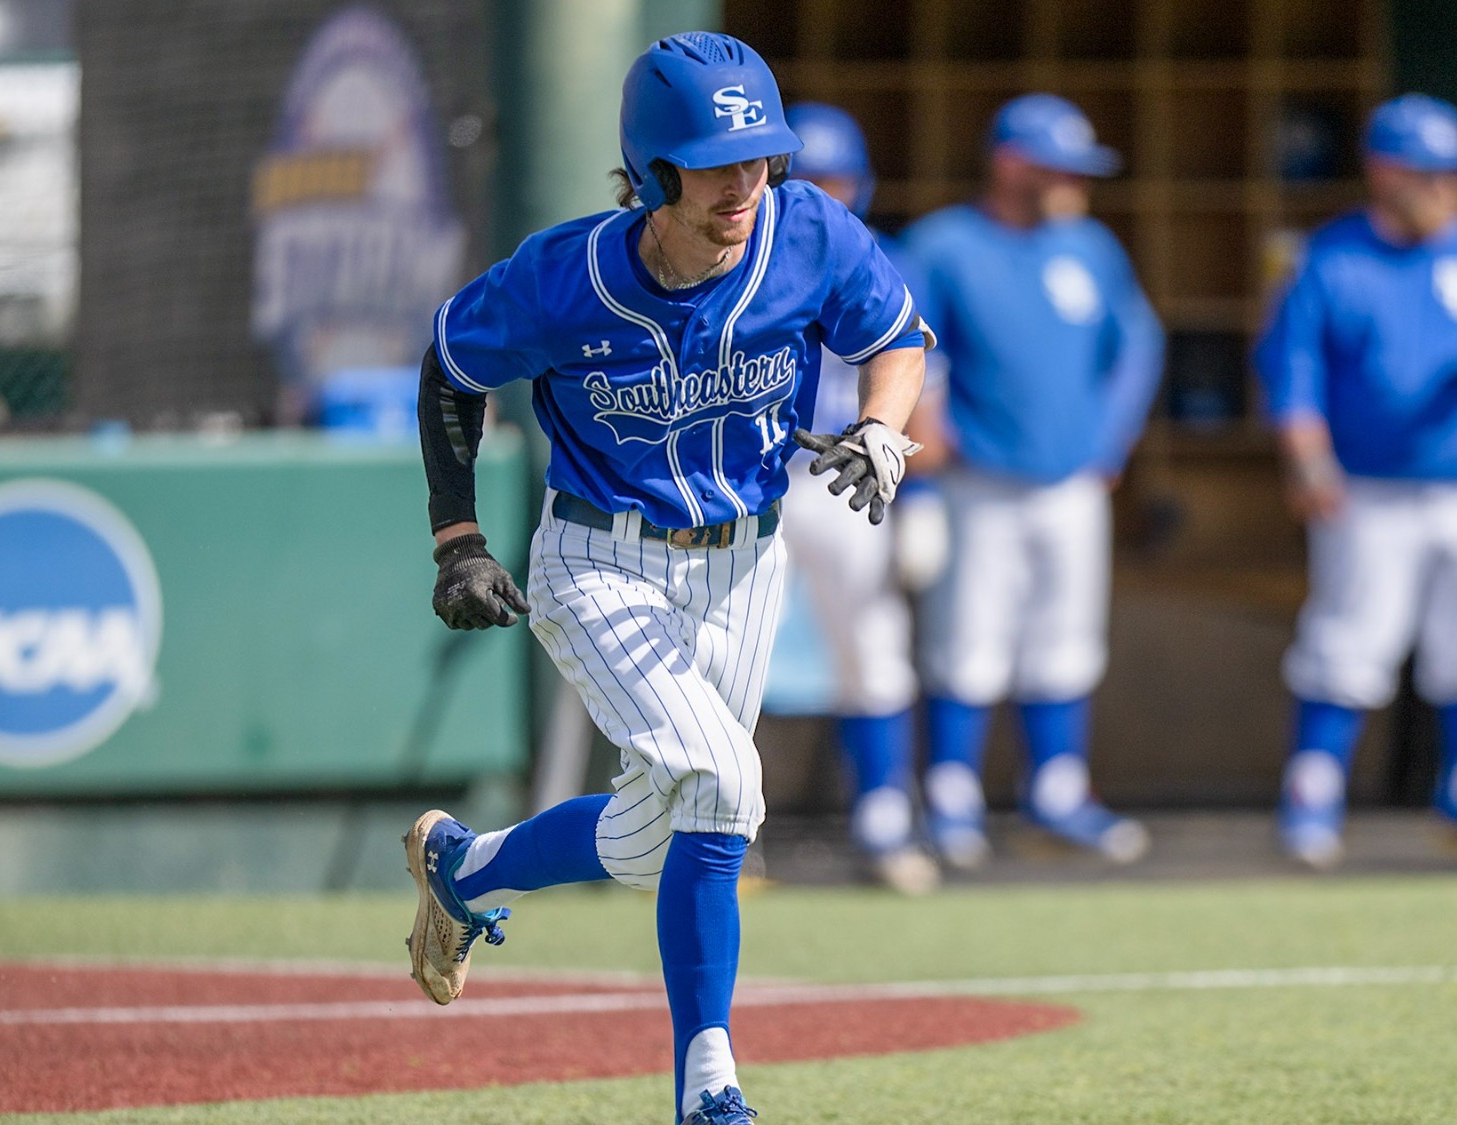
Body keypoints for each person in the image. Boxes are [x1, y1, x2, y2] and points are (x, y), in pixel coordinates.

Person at [402, 33, 930, 1125]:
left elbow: (897, 335)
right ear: (653, 170)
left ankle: (464, 870)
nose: (742, 184)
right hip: (600, 561)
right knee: (728, 790)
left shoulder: (808, 232)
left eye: (757, 159)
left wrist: (881, 427)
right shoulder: (569, 275)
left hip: (743, 563)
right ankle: (708, 1085)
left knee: (657, 843)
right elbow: (449, 367)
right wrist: (457, 536)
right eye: (712, 162)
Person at [1258, 94, 1457, 870]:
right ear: (1384, 172)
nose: (1448, 185)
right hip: (1369, 487)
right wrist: (1310, 462)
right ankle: (1312, 800)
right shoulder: (1332, 258)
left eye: (1453, 171)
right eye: (1430, 171)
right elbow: (1294, 376)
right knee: (1349, 641)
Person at [899, 93, 1164, 869]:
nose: (1076, 183)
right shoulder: (944, 244)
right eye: (1060, 167)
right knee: (968, 641)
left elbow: (1138, 344)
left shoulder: (1089, 247)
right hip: (978, 479)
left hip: (1072, 481)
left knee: (1066, 640)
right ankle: (950, 800)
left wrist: (1110, 441)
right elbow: (903, 341)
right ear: (1012, 164)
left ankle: (1057, 793)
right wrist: (928, 423)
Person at [773, 102, 940, 895]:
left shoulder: (889, 260)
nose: (827, 195)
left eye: (838, 179)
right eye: (812, 180)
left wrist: (926, 490)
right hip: (757, 484)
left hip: (849, 482)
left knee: (873, 654)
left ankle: (883, 819)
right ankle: (708, 836)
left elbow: (925, 396)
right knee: (716, 661)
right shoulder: (745, 258)